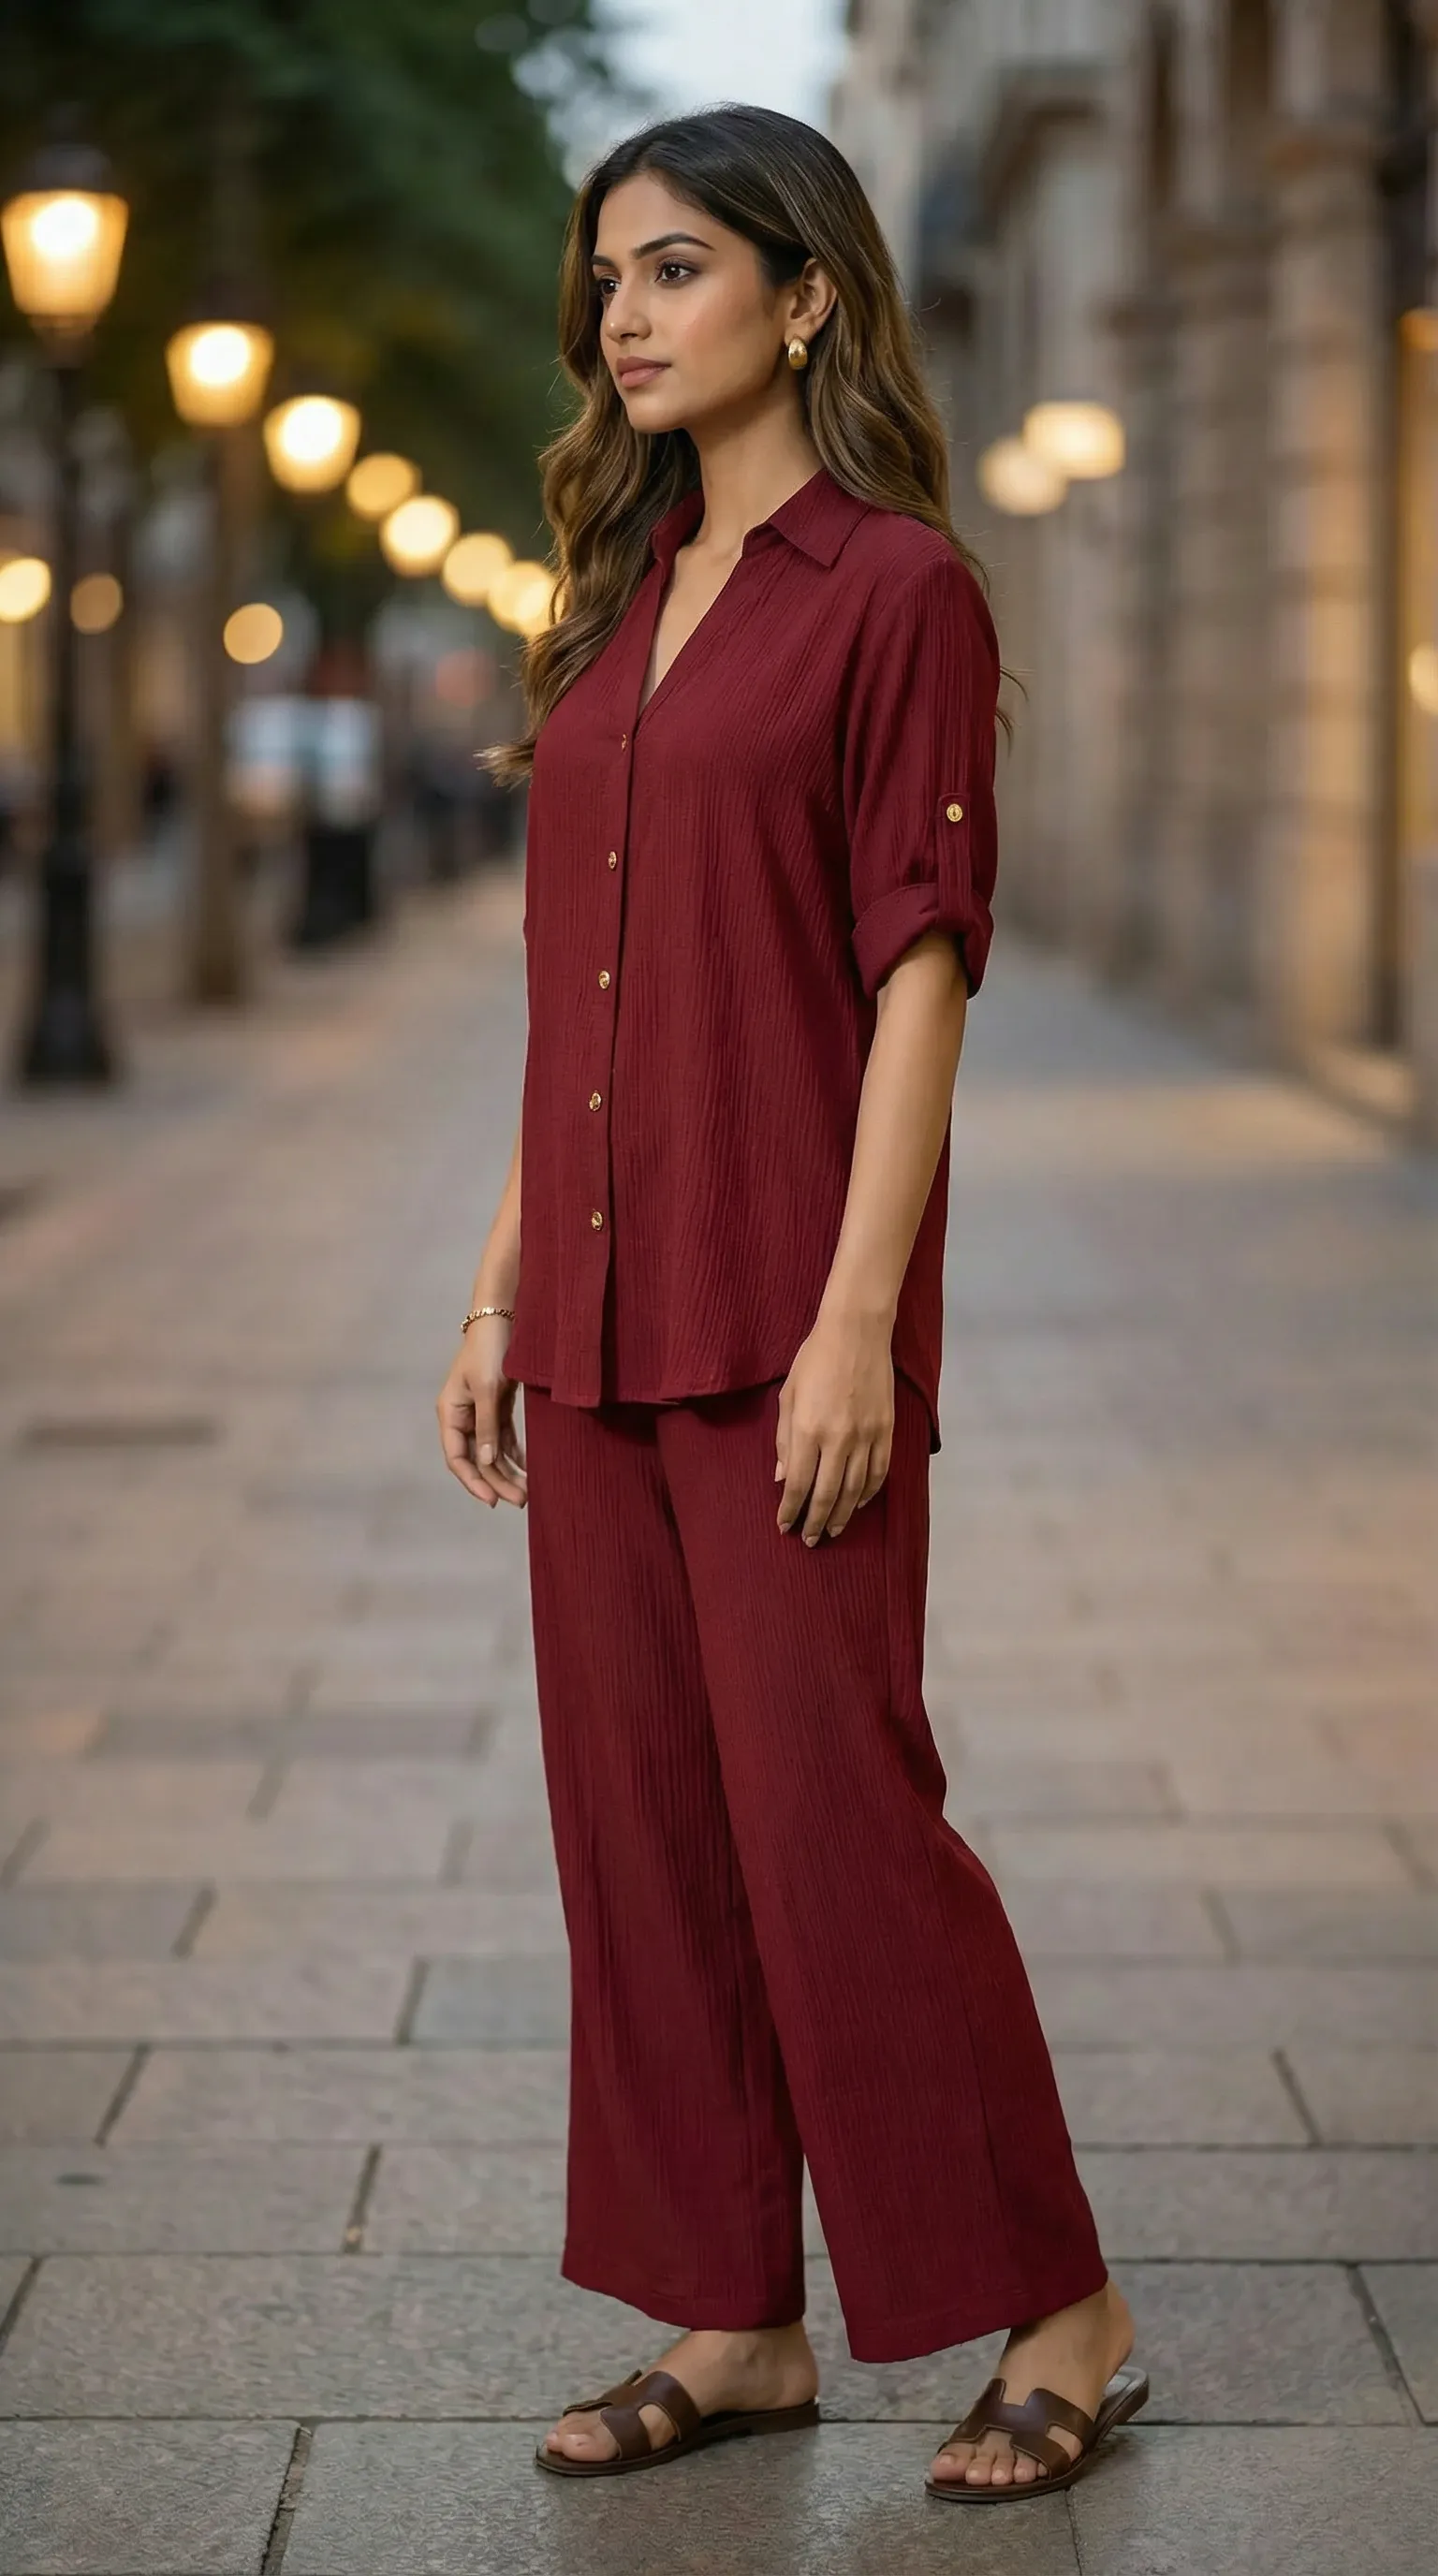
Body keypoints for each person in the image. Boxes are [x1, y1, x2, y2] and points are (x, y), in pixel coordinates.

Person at [436, 102, 1147, 2508]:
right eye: (607, 276)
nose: (624, 314)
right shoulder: (615, 588)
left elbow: (920, 962)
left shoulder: (897, 590)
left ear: (806, 290)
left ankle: (1060, 2300)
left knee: (840, 1814)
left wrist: (863, 1320)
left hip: (783, 1299)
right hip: (594, 1304)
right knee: (639, 1824)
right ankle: (732, 2314)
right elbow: (575, 975)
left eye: (675, 267)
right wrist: (499, 1284)